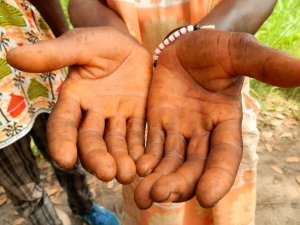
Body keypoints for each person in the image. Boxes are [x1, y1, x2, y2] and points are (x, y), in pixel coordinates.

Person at [6, 1, 300, 225]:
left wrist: (205, 33)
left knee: (222, 203)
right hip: (132, 107)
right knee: (152, 197)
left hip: (213, 99)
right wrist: (116, 35)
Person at [0, 1, 120, 225]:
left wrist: (66, 37)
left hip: (36, 68)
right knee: (26, 191)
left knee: (70, 156)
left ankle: (85, 207)